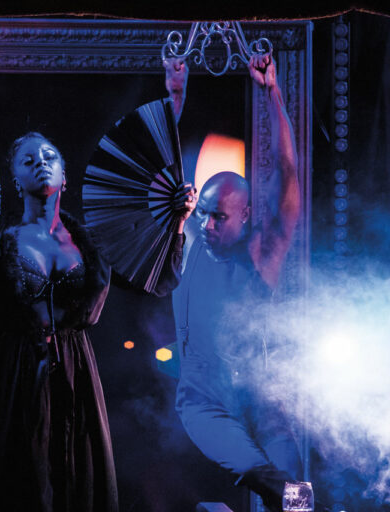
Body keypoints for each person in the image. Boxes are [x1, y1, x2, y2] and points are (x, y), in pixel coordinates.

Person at [0, 131, 195, 511]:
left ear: (65, 175)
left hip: (77, 372)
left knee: (79, 479)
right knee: (22, 481)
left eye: (50, 156)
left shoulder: (93, 242)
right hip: (17, 372)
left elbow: (155, 280)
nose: (41, 163)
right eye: (29, 160)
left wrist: (177, 221)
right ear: (15, 180)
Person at [166, 54, 303, 512]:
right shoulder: (187, 243)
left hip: (261, 399)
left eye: (218, 216)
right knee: (260, 474)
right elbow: (160, 166)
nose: (206, 224)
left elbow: (287, 175)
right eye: (202, 213)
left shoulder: (263, 254)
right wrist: (176, 97)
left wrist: (273, 94)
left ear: (245, 217)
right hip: (204, 402)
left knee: (292, 474)